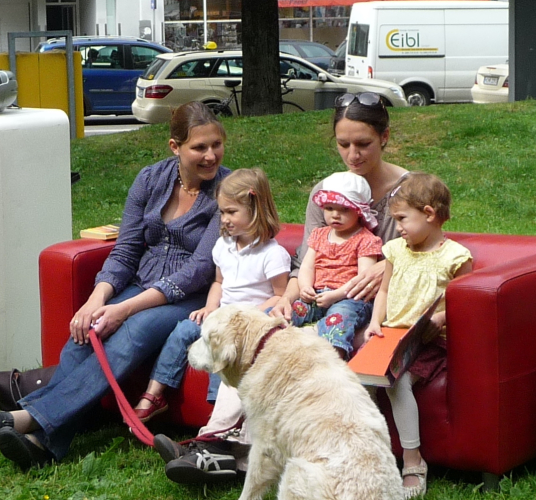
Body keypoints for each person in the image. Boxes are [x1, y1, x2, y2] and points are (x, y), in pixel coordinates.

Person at [161, 92, 411, 483]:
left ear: (385, 137)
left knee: (321, 341)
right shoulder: (325, 193)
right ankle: (223, 442)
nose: (353, 155)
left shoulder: (407, 191)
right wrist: (284, 301)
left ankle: (229, 452)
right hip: (318, 294)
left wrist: (384, 271)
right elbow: (309, 259)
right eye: (343, 144)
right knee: (256, 340)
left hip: (374, 302)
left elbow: (418, 255)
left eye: (363, 144)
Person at [0, 101, 230, 470]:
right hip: (141, 284)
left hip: (190, 297)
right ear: (175, 147)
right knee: (87, 332)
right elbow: (126, 249)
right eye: (199, 148)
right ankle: (45, 443)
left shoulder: (226, 188)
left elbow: (197, 270)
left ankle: (30, 418)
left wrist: (124, 308)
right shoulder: (150, 179)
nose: (211, 156)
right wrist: (96, 301)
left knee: (134, 330)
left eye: (216, 146)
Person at [131, 168, 290, 423]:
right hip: (220, 315)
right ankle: (155, 394)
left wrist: (248, 316)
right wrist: (209, 307)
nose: (224, 219)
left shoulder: (272, 254)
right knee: (183, 330)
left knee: (222, 350)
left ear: (255, 209)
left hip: (246, 324)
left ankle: (219, 416)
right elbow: (219, 282)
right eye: (222, 212)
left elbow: (280, 296)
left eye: (231, 212)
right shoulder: (223, 245)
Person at [363, 172, 473, 497]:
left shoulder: (455, 257)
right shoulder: (396, 250)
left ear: (428, 214)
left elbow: (462, 302)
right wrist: (374, 322)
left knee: (399, 382)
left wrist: (439, 317)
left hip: (427, 342)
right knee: (360, 381)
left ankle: (413, 462)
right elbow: (383, 291)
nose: (397, 227)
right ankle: (373, 456)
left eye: (401, 219)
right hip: (390, 335)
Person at [288, 171, 383, 360]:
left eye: (344, 209)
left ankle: (332, 359)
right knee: (293, 311)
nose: (335, 215)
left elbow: (362, 280)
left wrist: (335, 296)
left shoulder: (366, 240)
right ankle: (274, 341)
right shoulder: (319, 235)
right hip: (317, 294)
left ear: (359, 211)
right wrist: (305, 287)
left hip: (350, 298)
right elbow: (307, 267)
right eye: (329, 208)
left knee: (339, 319)